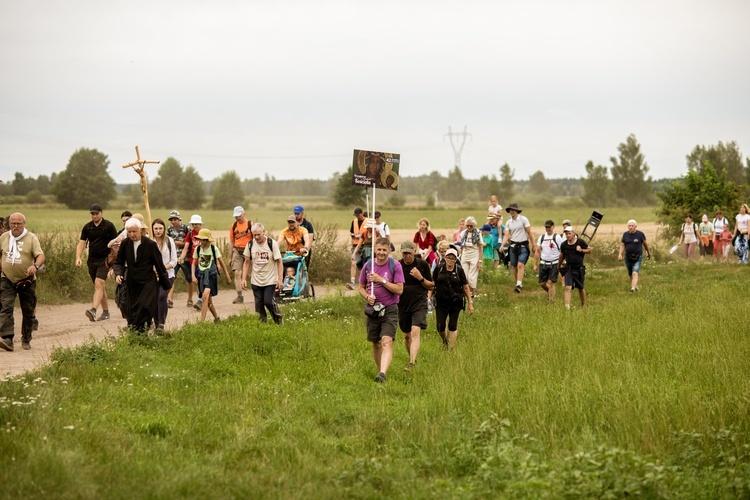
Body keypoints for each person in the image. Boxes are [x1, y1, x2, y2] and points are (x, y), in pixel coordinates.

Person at [114, 218, 171, 333]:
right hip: (132, 282)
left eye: (134, 231)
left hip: (148, 282)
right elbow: (119, 262)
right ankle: (136, 333)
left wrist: (166, 284)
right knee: (132, 308)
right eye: (129, 232)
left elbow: (159, 265)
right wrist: (118, 273)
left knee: (144, 305)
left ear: (140, 230)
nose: (131, 234)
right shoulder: (125, 244)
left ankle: (141, 332)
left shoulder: (150, 244)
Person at [359, 237, 404, 382]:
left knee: (387, 340)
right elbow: (360, 287)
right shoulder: (368, 265)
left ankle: (383, 373)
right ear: (375, 250)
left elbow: (399, 289)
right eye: (379, 249)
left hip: (389, 309)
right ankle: (380, 372)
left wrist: (381, 280)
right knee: (376, 343)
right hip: (373, 310)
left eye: (385, 250)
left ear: (389, 250)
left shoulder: (395, 265)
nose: (382, 253)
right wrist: (367, 297)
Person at [0, 213, 45, 351]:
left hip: (27, 281)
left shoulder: (31, 238)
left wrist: (35, 266)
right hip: (7, 279)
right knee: (6, 307)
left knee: (28, 311)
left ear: (24, 224)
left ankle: (26, 338)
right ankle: (8, 339)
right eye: (13, 223)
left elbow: (40, 255)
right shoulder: (4, 237)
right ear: (9, 224)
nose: (16, 226)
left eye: (19, 223)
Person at [76, 203, 118, 322]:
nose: (94, 216)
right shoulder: (87, 227)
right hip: (92, 260)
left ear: (101, 213)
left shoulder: (109, 226)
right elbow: (81, 243)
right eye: (92, 213)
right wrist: (78, 257)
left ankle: (93, 310)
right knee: (100, 286)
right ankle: (106, 312)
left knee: (99, 283)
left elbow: (116, 245)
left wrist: (114, 265)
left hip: (105, 260)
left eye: (96, 213)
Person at [397, 241, 433, 371]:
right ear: (401, 252)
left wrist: (420, 278)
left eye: (409, 252)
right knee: (406, 335)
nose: (407, 255)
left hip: (419, 302)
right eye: (404, 253)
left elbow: (431, 285)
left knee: (415, 332)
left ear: (414, 251)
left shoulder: (422, 264)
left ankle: (411, 364)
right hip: (403, 304)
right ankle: (413, 359)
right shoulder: (398, 266)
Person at [242, 223, 284, 324]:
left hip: (270, 280)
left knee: (268, 302)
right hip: (256, 280)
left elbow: (279, 261)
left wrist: (280, 279)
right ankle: (262, 326)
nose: (256, 237)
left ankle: (278, 319)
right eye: (254, 235)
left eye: (258, 235)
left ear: (263, 233)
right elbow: (247, 262)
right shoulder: (250, 244)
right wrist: (243, 279)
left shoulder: (271, 243)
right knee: (259, 305)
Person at [432, 247, 473, 350]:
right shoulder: (439, 269)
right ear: (445, 258)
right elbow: (432, 285)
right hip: (441, 301)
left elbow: (466, 287)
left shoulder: (459, 270)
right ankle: (445, 340)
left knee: (452, 325)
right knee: (440, 326)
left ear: (456, 260)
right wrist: (428, 299)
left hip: (455, 302)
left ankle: (451, 349)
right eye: (448, 258)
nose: (450, 260)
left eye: (453, 258)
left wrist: (470, 303)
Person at [191, 228, 231, 323]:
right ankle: (216, 318)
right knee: (208, 302)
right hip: (201, 276)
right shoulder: (198, 249)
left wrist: (227, 276)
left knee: (204, 296)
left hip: (211, 276)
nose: (200, 241)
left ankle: (201, 322)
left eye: (202, 239)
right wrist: (193, 275)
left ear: (207, 240)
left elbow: (222, 263)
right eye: (200, 239)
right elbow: (193, 263)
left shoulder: (214, 249)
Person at [501, 203, 535, 293]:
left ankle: (519, 284)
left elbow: (529, 233)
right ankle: (518, 283)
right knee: (514, 266)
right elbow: (507, 235)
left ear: (516, 210)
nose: (511, 211)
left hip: (523, 245)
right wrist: (502, 245)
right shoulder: (508, 222)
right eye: (510, 210)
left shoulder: (523, 220)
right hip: (513, 246)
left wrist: (533, 245)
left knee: (520, 265)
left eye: (513, 210)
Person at [151, 218, 177, 331]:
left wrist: (161, 269)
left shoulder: (169, 241)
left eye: (160, 228)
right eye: (156, 228)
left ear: (164, 229)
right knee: (154, 300)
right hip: (152, 276)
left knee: (162, 296)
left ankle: (161, 323)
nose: (158, 231)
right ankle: (157, 325)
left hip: (167, 275)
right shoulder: (149, 241)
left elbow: (174, 261)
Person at [558, 226, 592, 310]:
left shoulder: (580, 242)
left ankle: (584, 305)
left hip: (579, 268)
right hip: (568, 268)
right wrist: (558, 266)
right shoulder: (564, 245)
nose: (568, 235)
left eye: (569, 233)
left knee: (580, 288)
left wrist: (581, 250)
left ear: (573, 233)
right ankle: (567, 308)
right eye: (566, 234)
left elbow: (589, 250)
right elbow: (561, 255)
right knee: (567, 287)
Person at [533, 220, 564, 303]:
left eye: (549, 227)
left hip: (554, 262)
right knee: (542, 283)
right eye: (546, 227)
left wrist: (563, 261)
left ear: (553, 227)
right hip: (543, 262)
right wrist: (535, 264)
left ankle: (550, 300)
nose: (548, 229)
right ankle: (551, 292)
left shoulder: (557, 237)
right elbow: (537, 251)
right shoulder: (542, 238)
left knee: (551, 282)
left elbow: (562, 250)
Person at [618, 219, 651, 292]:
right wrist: (620, 254)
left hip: (637, 257)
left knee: (635, 272)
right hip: (628, 257)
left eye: (632, 226)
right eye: (629, 226)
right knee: (630, 273)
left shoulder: (640, 234)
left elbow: (645, 244)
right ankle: (635, 286)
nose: (631, 227)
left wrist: (648, 252)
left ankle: (632, 289)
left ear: (635, 226)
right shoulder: (625, 234)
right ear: (627, 226)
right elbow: (622, 245)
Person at [229, 206, 253, 304]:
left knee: (251, 274)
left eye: (239, 216)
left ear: (244, 213)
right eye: (236, 216)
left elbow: (256, 238)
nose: (238, 218)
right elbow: (231, 241)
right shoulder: (234, 226)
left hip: (249, 251)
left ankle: (258, 294)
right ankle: (239, 296)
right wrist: (230, 257)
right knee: (237, 273)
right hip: (237, 251)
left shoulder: (250, 224)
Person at [179, 214, 203, 307]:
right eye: (193, 224)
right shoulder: (190, 234)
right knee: (196, 281)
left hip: (204, 262)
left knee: (201, 281)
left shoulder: (204, 233)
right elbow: (186, 248)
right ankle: (200, 300)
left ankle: (201, 300)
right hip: (193, 262)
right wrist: (181, 258)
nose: (195, 226)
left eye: (196, 224)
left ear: (200, 224)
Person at [166, 210, 189, 308]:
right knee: (171, 277)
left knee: (189, 278)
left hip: (185, 257)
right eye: (171, 220)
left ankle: (190, 299)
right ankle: (170, 299)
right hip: (173, 258)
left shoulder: (186, 228)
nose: (173, 221)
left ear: (179, 219)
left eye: (175, 219)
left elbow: (190, 241)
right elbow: (166, 241)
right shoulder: (169, 229)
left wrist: (181, 243)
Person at [458, 216, 483, 297]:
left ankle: (472, 294)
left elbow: (480, 247)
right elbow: (462, 246)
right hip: (465, 254)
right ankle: (467, 294)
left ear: (474, 226)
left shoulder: (478, 233)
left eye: (471, 226)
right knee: (464, 275)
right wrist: (460, 256)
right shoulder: (463, 233)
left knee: (472, 277)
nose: (469, 227)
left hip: (474, 254)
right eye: (467, 225)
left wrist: (480, 261)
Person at [347, 208, 367, 290]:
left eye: (358, 215)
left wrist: (361, 235)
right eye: (356, 215)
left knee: (364, 265)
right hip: (355, 245)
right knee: (353, 263)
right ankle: (352, 282)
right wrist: (355, 235)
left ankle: (364, 283)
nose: (357, 217)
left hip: (365, 246)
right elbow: (351, 232)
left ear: (362, 213)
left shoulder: (367, 221)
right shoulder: (354, 221)